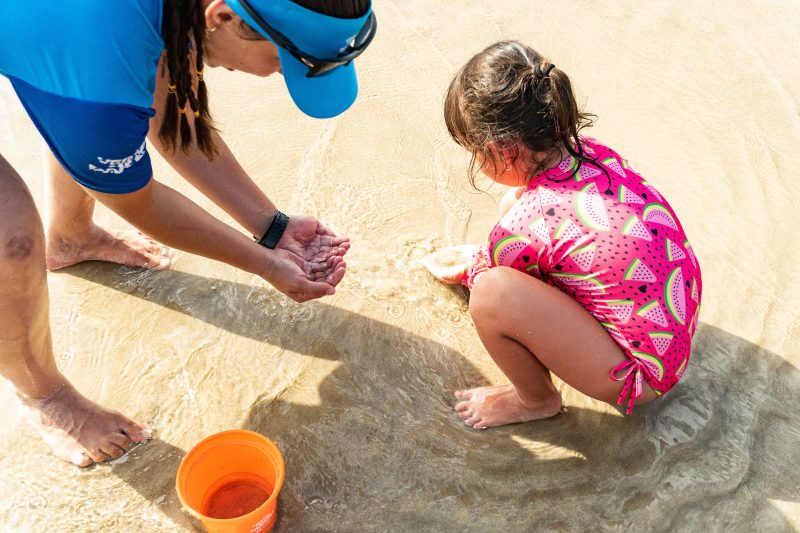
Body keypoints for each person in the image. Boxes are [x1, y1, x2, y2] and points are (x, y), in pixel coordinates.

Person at [0, 0, 375, 466]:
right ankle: (45, 396)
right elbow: (135, 200)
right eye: (284, 65)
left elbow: (169, 110)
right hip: (84, 50)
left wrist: (270, 225)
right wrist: (265, 265)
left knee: (89, 114)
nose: (276, 77)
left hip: (73, 45)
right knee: (11, 241)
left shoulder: (168, 21)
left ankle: (71, 238)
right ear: (224, 17)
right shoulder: (105, 75)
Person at [427, 41, 702, 429]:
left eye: (475, 151)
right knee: (515, 209)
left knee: (490, 294)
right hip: (676, 329)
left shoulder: (526, 225)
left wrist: (474, 268)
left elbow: (501, 285)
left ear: (500, 152)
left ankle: (535, 401)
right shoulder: (596, 154)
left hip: (642, 379)